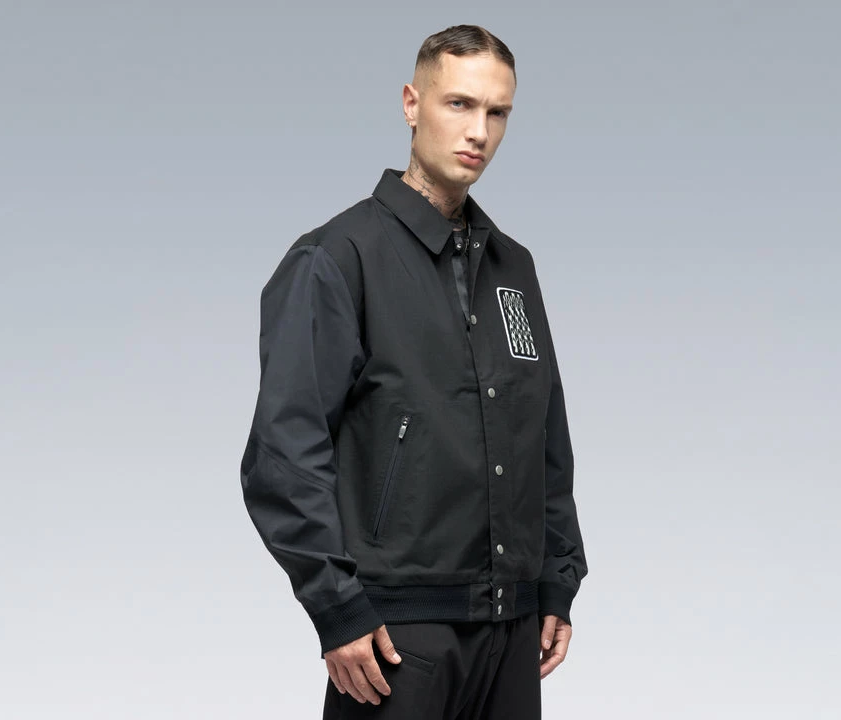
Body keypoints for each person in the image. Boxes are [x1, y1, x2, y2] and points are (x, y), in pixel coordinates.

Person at [240, 24, 587, 719]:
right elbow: (283, 453)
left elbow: (544, 433)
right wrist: (336, 607)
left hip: (513, 627)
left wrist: (556, 578)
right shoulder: (338, 258)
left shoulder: (513, 269)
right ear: (411, 103)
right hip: (396, 634)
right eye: (459, 104)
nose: (479, 131)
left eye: (497, 112)